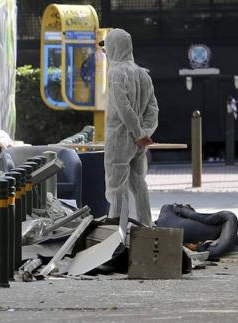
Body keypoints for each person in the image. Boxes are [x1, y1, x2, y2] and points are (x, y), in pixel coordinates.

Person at [102, 28, 159, 241]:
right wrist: (145, 133)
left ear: (114, 48)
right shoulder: (143, 74)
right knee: (138, 183)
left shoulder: (116, 73)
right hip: (139, 142)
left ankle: (115, 232)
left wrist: (136, 133)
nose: (106, 52)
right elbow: (153, 110)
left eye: (107, 48)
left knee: (116, 185)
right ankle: (146, 227)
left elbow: (123, 107)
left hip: (120, 138)